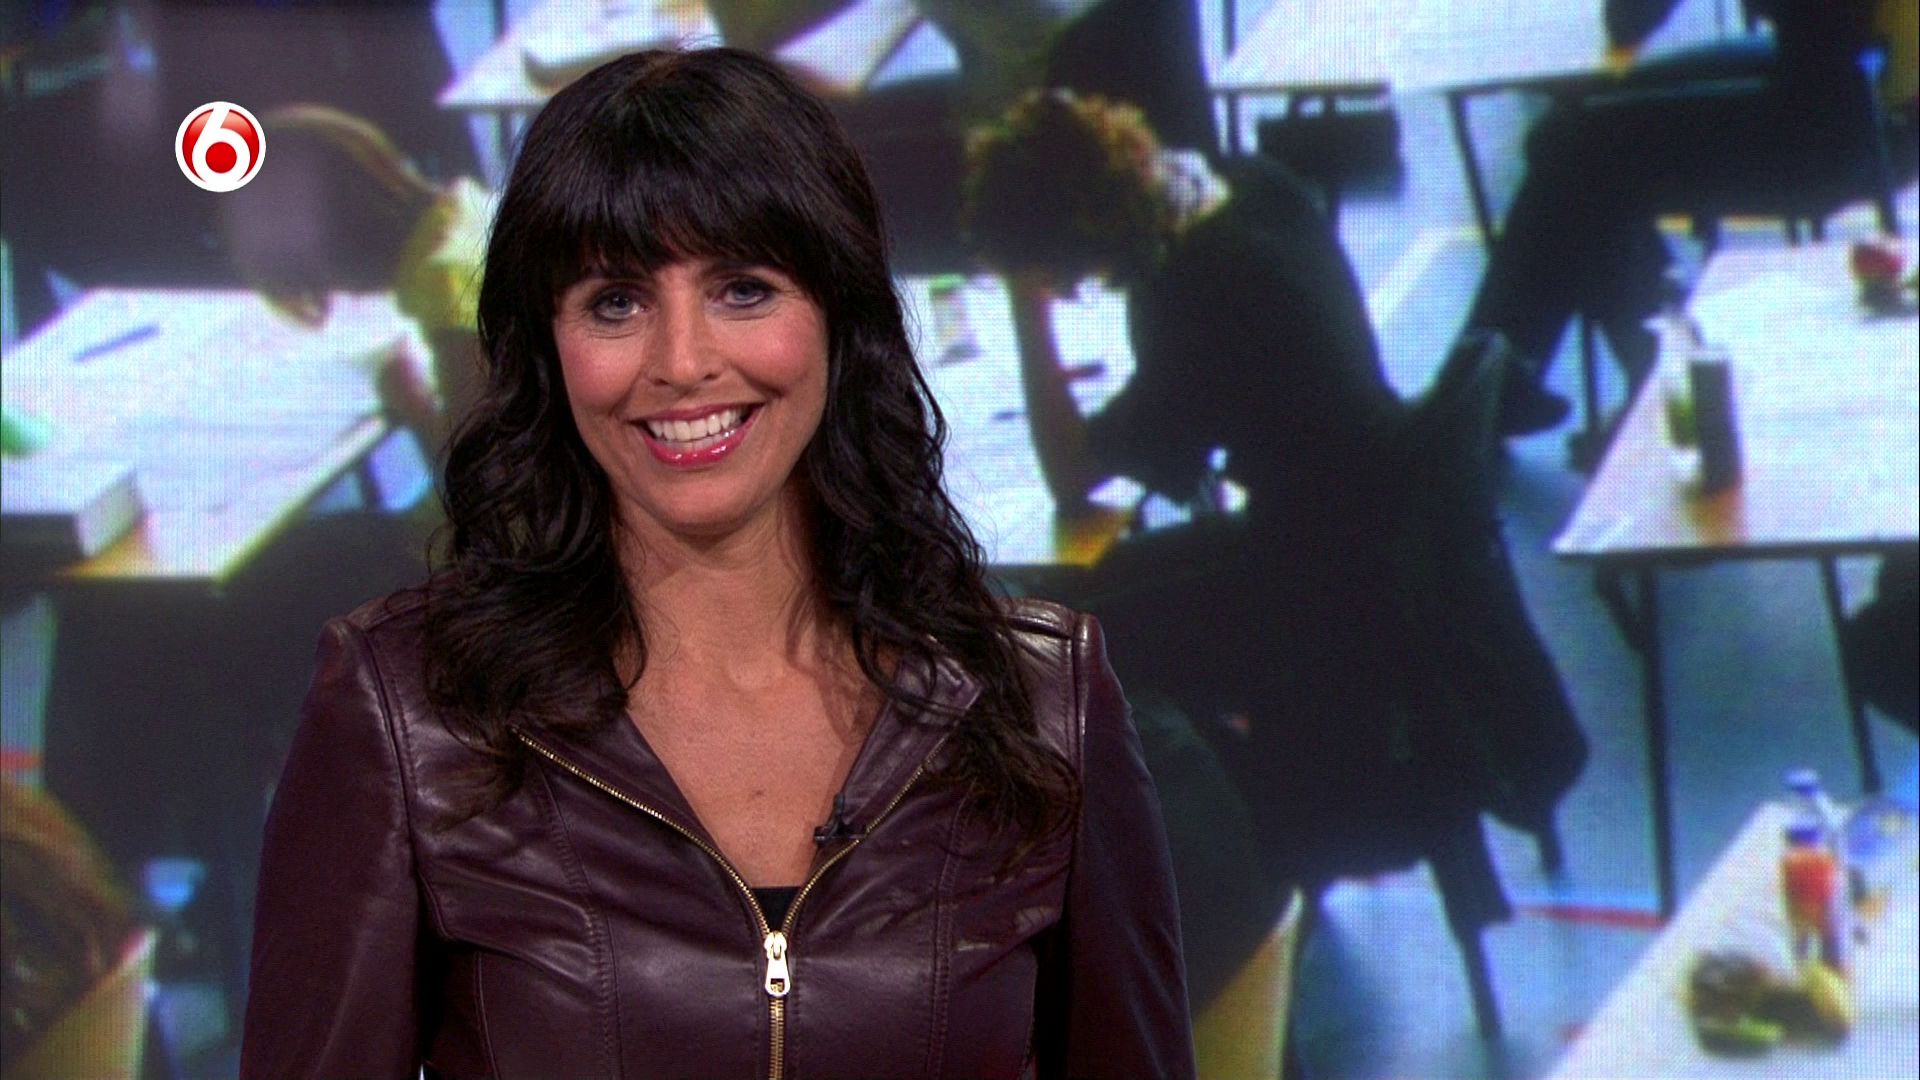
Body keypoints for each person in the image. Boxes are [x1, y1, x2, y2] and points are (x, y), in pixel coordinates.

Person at [239, 47, 1192, 1078]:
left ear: (840, 316)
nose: (683, 361)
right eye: (615, 301)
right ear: (547, 347)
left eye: (743, 289)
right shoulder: (408, 716)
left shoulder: (1042, 703)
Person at [965, 91, 1585, 897]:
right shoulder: (1247, 184)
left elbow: (1071, 472)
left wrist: (1027, 310)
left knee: (1052, 640)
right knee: (1093, 602)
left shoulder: (1198, 294)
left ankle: (1222, 843)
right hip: (1378, 519)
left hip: (1320, 580)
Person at [1466, 0, 1890, 436]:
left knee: (1576, 149)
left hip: (1827, 128)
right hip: (1870, 82)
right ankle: (1510, 377)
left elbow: (1630, 19)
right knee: (1576, 144)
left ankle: (1652, 385)